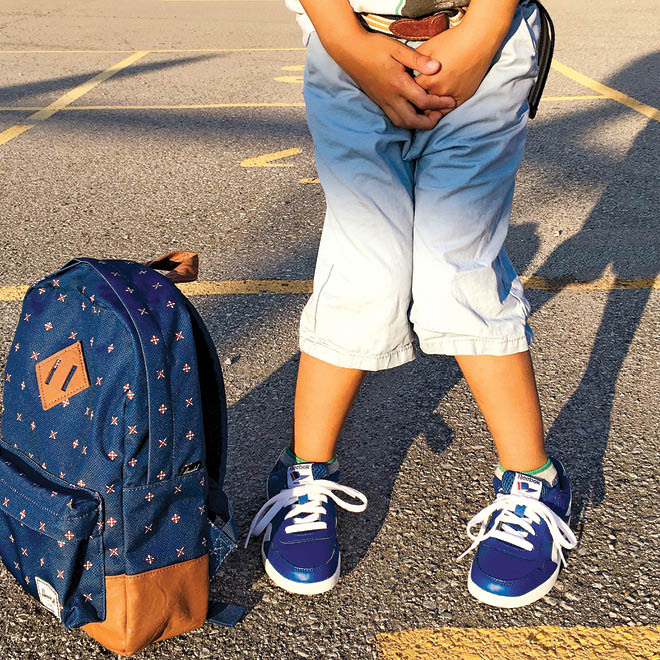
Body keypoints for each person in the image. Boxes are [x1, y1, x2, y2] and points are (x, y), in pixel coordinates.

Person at [245, 0, 577, 608]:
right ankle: (306, 472)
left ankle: (535, 480)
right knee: (363, 265)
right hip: (353, 44)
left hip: (484, 39)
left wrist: (480, 33)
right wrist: (348, 42)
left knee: (459, 265)